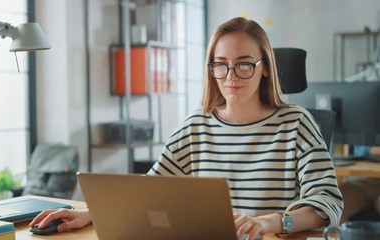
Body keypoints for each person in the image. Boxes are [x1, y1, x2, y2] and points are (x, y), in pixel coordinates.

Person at [29, 17, 343, 240]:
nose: (230, 75)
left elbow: (326, 202)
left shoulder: (296, 123)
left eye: (244, 63)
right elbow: (149, 190)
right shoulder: (197, 124)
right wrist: (90, 213)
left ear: (264, 69)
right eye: (221, 64)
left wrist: (269, 222)